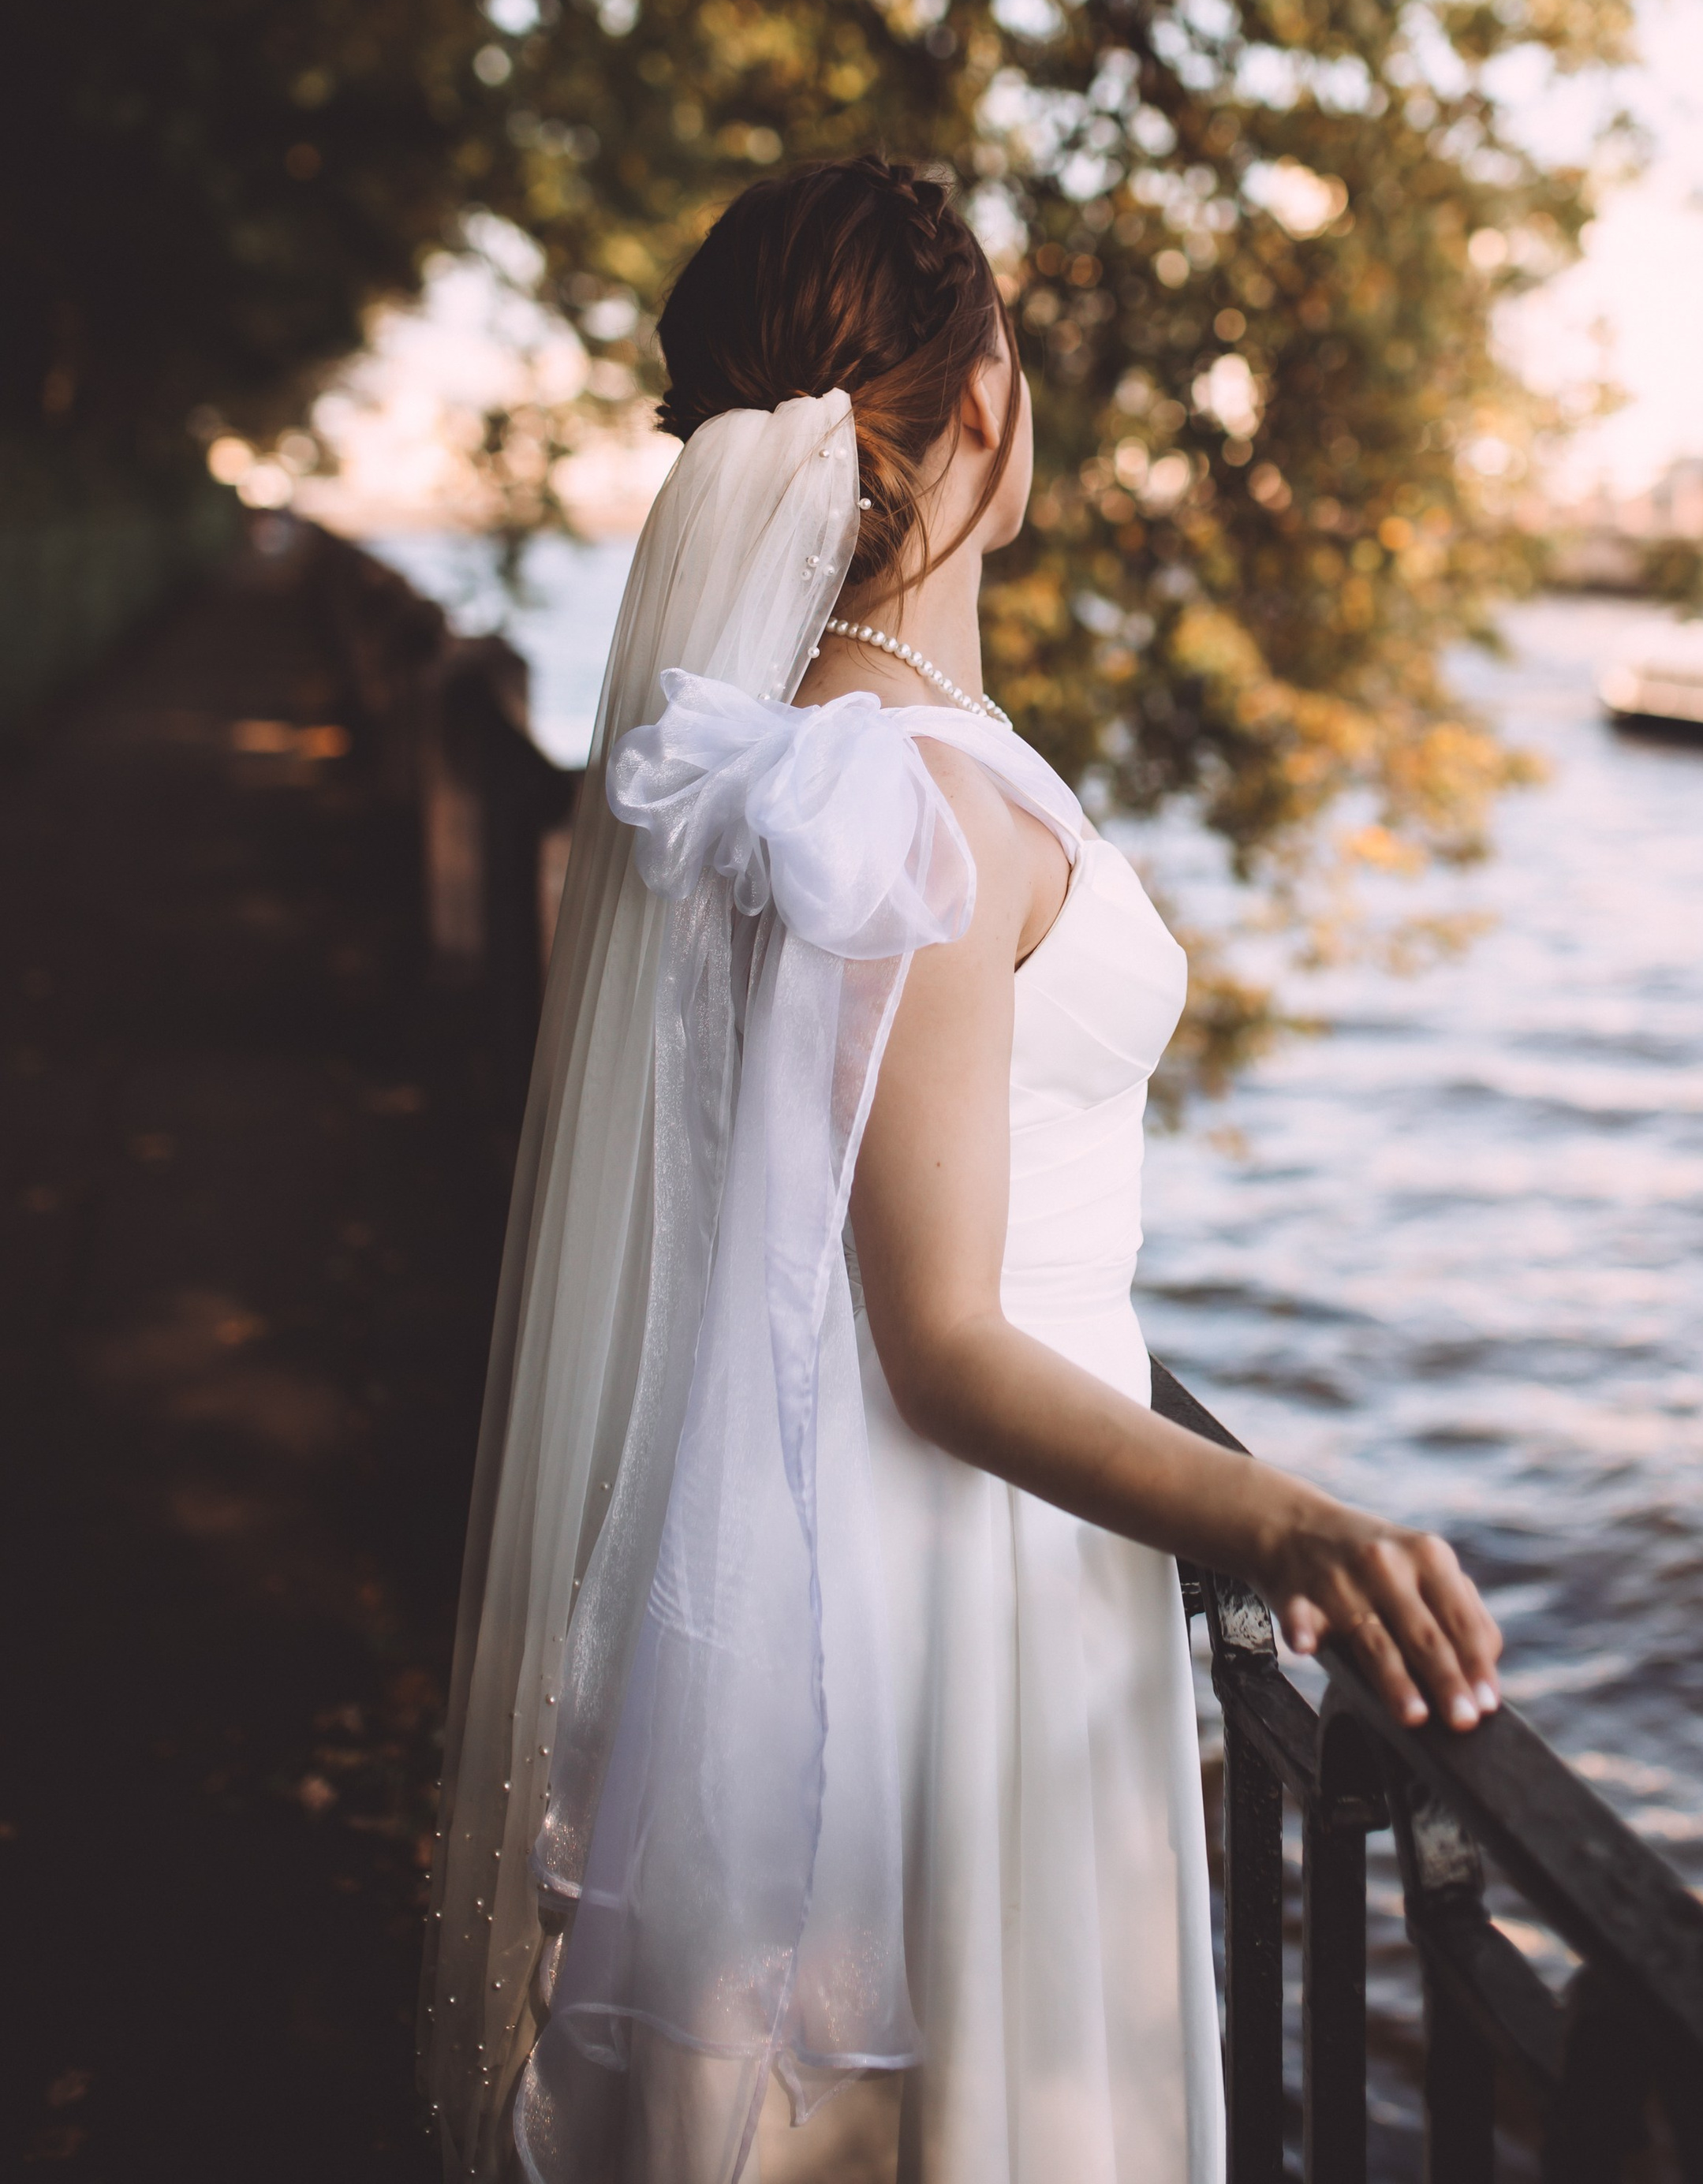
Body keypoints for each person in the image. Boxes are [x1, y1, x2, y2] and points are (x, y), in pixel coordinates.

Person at [423, 156, 1502, 2184]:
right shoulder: (895, 789)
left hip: (876, 1526)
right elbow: (938, 1336)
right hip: (955, 1566)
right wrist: (1287, 1525)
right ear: (986, 404)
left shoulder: (801, 743)